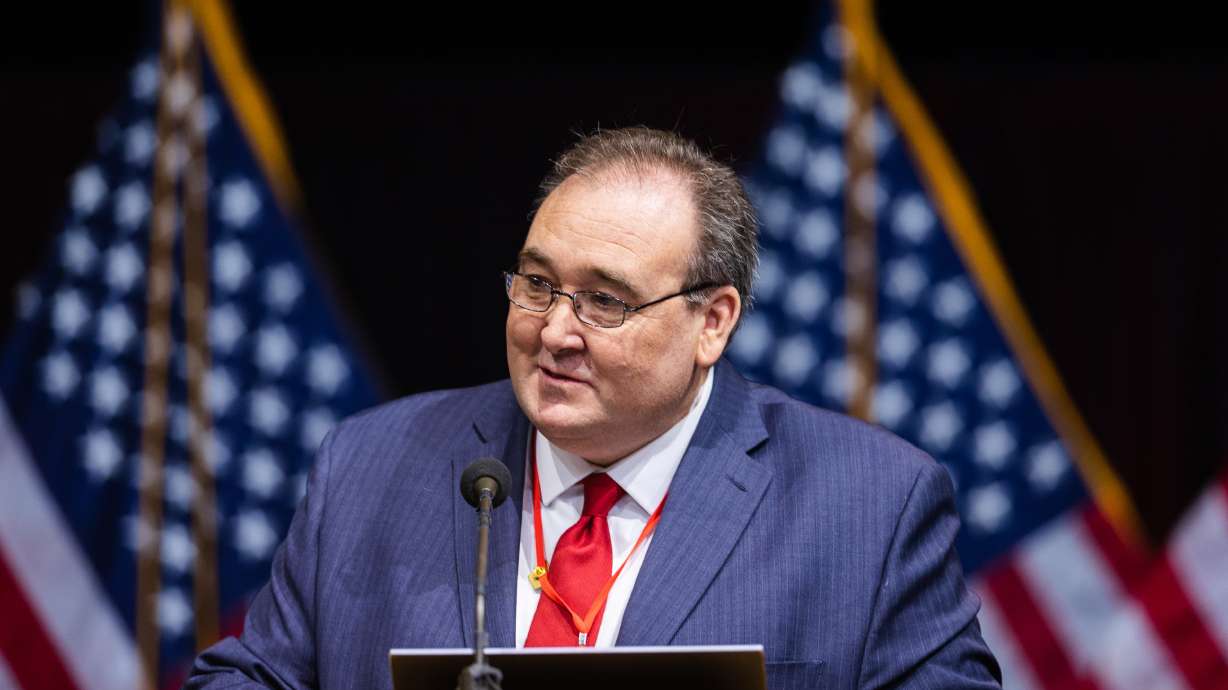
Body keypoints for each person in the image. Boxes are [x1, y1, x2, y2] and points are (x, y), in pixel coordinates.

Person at [189, 127, 1001, 688]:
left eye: (606, 303)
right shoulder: (369, 466)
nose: (555, 332)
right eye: (538, 285)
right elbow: (252, 676)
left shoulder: (869, 506)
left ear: (711, 322)